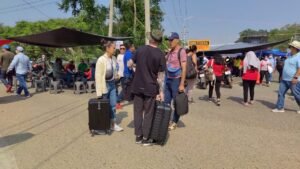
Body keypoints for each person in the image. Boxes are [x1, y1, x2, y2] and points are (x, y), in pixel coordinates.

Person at [128, 30, 165, 145]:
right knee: (149, 113)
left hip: (137, 85)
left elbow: (129, 63)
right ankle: (145, 138)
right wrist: (161, 91)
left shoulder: (140, 49)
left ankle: (138, 137)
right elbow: (161, 76)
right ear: (158, 41)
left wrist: (136, 66)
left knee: (137, 111)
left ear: (151, 39)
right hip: (150, 87)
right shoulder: (160, 54)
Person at [95, 41, 123, 132]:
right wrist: (99, 92)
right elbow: (98, 76)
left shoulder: (114, 58)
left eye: (115, 48)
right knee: (104, 106)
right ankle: (103, 124)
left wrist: (117, 75)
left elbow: (115, 70)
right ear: (107, 48)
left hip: (112, 85)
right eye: (113, 48)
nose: (115, 49)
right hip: (104, 86)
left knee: (113, 106)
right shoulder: (101, 60)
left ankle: (113, 124)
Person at [165, 32, 187, 131]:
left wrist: (182, 84)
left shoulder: (181, 51)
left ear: (177, 40)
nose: (170, 42)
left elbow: (184, 68)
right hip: (168, 79)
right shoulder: (170, 52)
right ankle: (165, 119)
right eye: (169, 40)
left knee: (177, 103)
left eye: (171, 40)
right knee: (166, 101)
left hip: (176, 80)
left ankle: (174, 121)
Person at [272, 41, 300, 113]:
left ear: (295, 48)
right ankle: (280, 108)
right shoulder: (290, 56)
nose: (289, 48)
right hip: (285, 79)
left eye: (291, 47)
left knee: (296, 95)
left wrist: (296, 77)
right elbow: (286, 67)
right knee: (280, 93)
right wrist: (282, 76)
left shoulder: (299, 56)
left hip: (293, 79)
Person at [116, 44, 126, 109]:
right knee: (114, 88)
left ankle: (117, 100)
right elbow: (117, 65)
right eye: (121, 48)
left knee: (124, 89)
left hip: (124, 75)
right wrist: (116, 73)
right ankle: (117, 101)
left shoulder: (126, 55)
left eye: (123, 48)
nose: (122, 49)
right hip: (118, 75)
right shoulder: (118, 56)